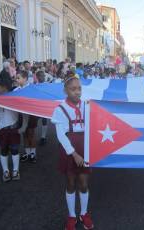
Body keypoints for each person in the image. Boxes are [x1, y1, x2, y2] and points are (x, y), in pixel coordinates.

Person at [51, 77, 94, 230]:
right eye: (73, 89)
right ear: (65, 91)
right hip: (69, 149)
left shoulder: (87, 106)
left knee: (83, 183)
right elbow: (61, 135)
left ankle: (83, 213)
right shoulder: (60, 109)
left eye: (79, 88)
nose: (77, 92)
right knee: (70, 183)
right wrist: (74, 154)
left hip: (85, 148)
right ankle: (71, 215)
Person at [0, 79, 21, 182]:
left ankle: (15, 170)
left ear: (4, 87)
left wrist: (22, 127)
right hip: (2, 129)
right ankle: (5, 171)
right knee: (3, 150)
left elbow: (22, 112)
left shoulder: (14, 98)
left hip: (13, 128)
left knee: (14, 149)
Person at [15, 71, 39, 163]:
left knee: (31, 134)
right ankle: (27, 153)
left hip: (31, 114)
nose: (16, 80)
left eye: (18, 78)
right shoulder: (16, 90)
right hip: (21, 115)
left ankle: (33, 153)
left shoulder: (31, 88)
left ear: (25, 78)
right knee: (24, 134)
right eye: (16, 78)